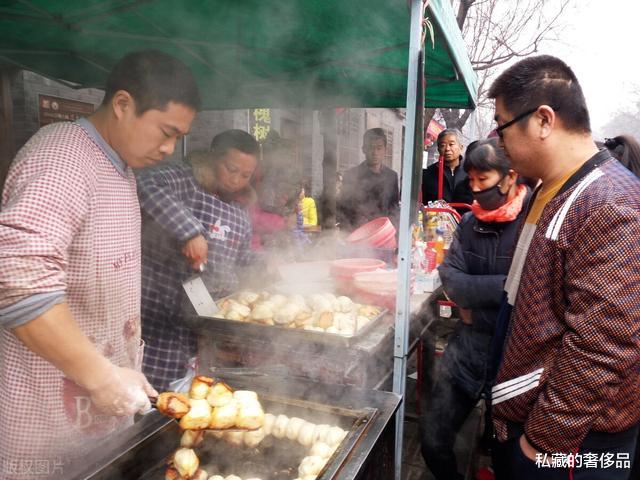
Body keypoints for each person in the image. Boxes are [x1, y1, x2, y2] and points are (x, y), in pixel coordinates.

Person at [0, 50, 199, 477]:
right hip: (45, 429)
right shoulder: (61, 159)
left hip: (96, 421)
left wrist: (119, 373)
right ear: (123, 105)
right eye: (166, 132)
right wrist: (101, 377)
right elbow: (18, 280)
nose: (169, 149)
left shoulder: (123, 170)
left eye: (178, 138)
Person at [488, 55, 640, 479]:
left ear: (542, 120)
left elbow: (602, 345)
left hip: (571, 448)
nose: (498, 141)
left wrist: (541, 442)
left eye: (502, 126)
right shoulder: (548, 189)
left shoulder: (612, 203)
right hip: (530, 424)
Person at [421, 138, 530, 480]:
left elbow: (531, 293)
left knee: (507, 457)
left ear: (509, 177)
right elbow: (451, 279)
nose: (474, 189)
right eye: (470, 180)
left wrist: (475, 304)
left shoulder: (531, 225)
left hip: (513, 364)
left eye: (483, 180)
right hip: (465, 353)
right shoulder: (469, 224)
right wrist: (505, 288)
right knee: (433, 440)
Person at [138, 130, 259, 391]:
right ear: (213, 159)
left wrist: (270, 264)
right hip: (160, 315)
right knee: (155, 396)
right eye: (231, 169)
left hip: (207, 319)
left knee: (197, 392)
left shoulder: (240, 212)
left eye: (245, 175)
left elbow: (240, 257)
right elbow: (144, 183)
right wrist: (190, 231)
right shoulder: (186, 181)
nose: (236, 180)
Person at [337, 128, 399, 231]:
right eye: (371, 148)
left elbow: (394, 209)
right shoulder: (351, 175)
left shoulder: (391, 176)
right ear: (363, 149)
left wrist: (393, 231)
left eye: (379, 148)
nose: (375, 152)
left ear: (385, 150)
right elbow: (343, 210)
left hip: (383, 233)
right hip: (357, 234)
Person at [421, 128, 473, 207]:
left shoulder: (470, 172)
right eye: (443, 145)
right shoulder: (427, 174)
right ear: (438, 149)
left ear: (461, 147)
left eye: (451, 144)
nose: (447, 149)